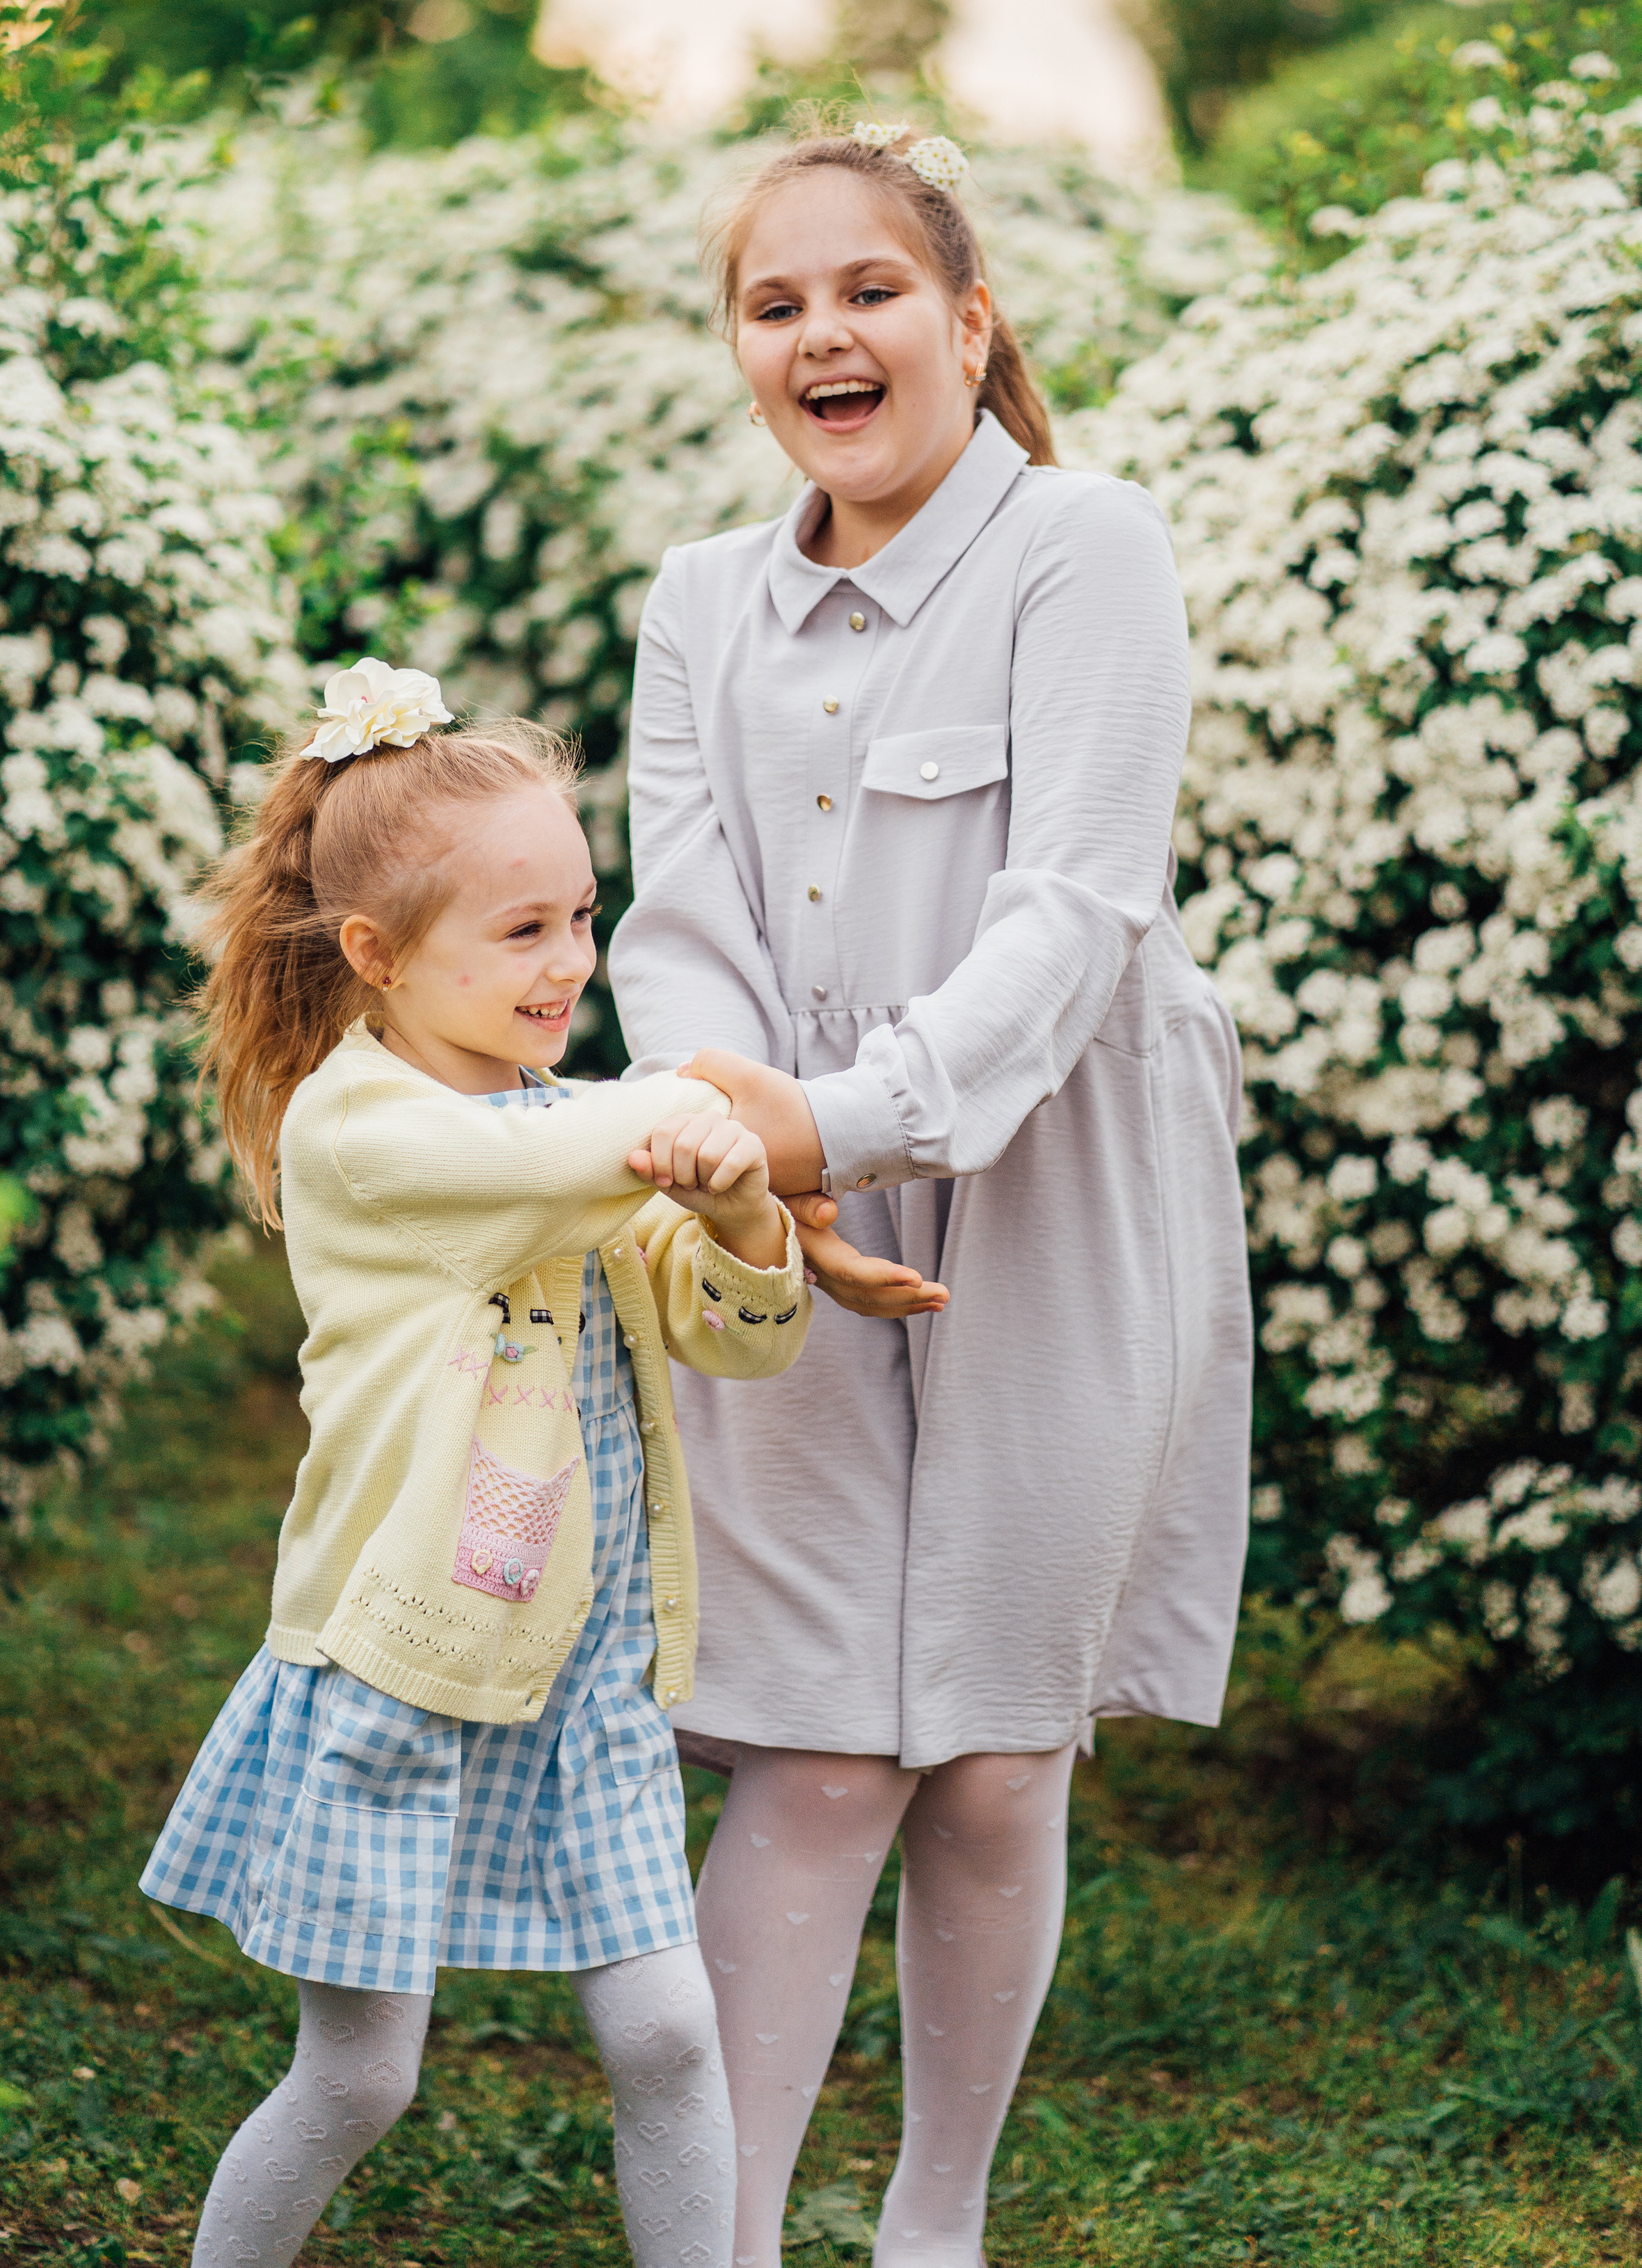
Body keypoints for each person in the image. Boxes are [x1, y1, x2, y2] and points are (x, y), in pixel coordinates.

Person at [609, 122, 1254, 2268]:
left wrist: (839, 1123)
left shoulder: (1086, 545)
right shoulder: (699, 599)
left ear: (970, 324)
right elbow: (681, 924)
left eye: (870, 290)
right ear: (742, 350)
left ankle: (935, 2227)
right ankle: (721, 2245)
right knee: (810, 1749)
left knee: (990, 1749)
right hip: (770, 1223)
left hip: (1053, 1194)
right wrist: (747, 1156)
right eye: (774, 304)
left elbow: (1074, 914)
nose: (825, 335)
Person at [141, 665, 821, 2268]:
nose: (571, 960)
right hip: (404, 1659)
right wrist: (714, 1109)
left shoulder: (569, 1122)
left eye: (581, 915)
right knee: (359, 2078)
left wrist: (742, 1214)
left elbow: (738, 1334)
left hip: (585, 1664)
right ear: (375, 956)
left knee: (668, 2037)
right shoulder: (366, 1131)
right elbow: (563, 1167)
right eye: (522, 931)